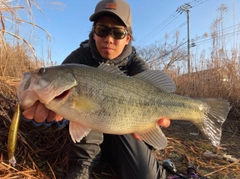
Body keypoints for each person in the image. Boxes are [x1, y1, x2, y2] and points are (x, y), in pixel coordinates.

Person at [20, 0, 171, 178]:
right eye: (102, 30)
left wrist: (154, 123)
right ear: (93, 34)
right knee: (87, 108)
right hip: (86, 143)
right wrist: (46, 121)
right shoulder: (75, 61)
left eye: (118, 33)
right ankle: (83, 164)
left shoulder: (137, 65)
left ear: (127, 38)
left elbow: (158, 96)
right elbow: (62, 114)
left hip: (123, 132)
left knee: (145, 175)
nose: (109, 39)